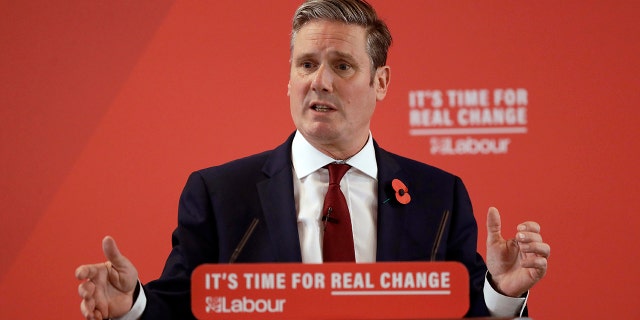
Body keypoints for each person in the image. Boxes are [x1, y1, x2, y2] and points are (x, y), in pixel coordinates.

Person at [76, 0, 550, 319]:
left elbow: (462, 306)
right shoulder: (221, 193)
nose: (319, 82)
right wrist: (133, 305)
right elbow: (184, 304)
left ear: (381, 82)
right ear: (288, 79)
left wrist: (502, 294)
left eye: (341, 66)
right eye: (306, 64)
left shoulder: (438, 194)